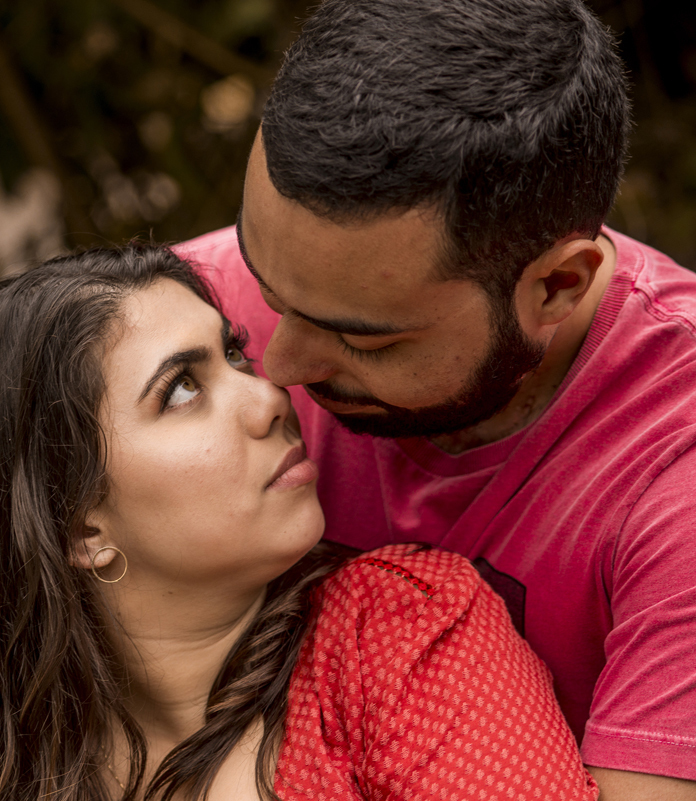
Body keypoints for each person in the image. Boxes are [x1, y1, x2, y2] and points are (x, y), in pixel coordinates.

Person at [178, 0, 696, 796]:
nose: (273, 367)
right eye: (267, 288)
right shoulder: (185, 322)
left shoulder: (676, 460)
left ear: (558, 285)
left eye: (364, 339)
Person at [0, 246, 597, 801]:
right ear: (77, 528)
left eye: (232, 353)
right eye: (182, 389)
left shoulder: (399, 639)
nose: (269, 397)